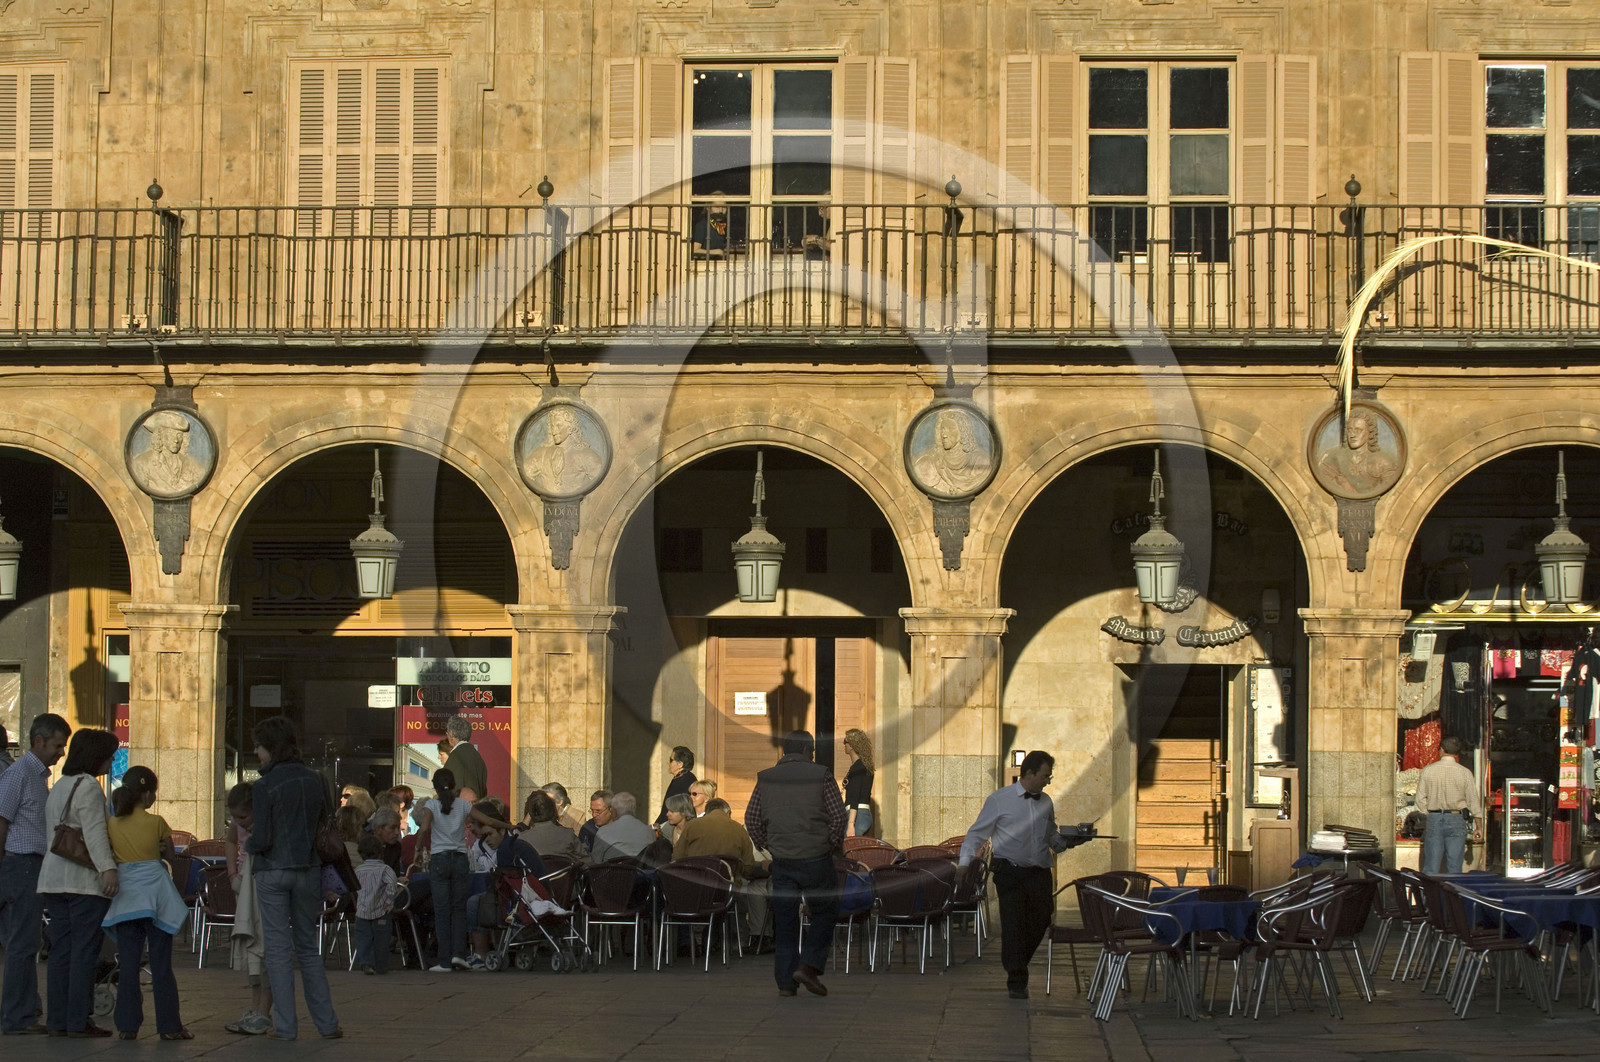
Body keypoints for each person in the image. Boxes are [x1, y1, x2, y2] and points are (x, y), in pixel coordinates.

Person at [959, 750, 1091, 1000]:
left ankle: (1016, 961)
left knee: (1042, 918)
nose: (1048, 781)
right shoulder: (999, 799)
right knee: (1013, 924)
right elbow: (976, 834)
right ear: (1030, 773)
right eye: (1045, 776)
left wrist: (1070, 841)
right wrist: (964, 863)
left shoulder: (1046, 802)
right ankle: (1017, 979)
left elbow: (1050, 836)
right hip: (1010, 871)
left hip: (1039, 871)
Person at [246, 716, 342, 1040]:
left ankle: (286, 1027)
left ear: (270, 747)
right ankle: (327, 1023)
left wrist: (248, 844)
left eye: (258, 746)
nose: (256, 752)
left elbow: (262, 838)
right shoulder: (316, 780)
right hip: (309, 869)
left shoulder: (264, 786)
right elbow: (324, 824)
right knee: (308, 948)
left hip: (272, 870)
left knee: (277, 950)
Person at [745, 730, 845, 998]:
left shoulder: (766, 778)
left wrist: (769, 845)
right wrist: (829, 843)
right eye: (812, 751)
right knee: (826, 910)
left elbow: (752, 819)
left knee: (785, 919)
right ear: (806, 750)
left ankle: (786, 984)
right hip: (816, 857)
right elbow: (838, 816)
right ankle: (809, 966)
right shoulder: (821, 775)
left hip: (782, 860)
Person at [38, 727, 119, 1037]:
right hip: (82, 881)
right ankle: (78, 1019)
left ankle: (58, 1020)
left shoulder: (60, 785)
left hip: (53, 879)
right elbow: (95, 832)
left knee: (60, 952)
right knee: (84, 951)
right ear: (96, 756)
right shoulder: (88, 787)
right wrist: (107, 869)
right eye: (109, 755)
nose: (112, 760)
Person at [102, 766, 190, 1040]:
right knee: (161, 965)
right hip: (156, 897)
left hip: (126, 899)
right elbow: (171, 856)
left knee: (128, 966)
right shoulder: (157, 822)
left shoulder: (112, 823)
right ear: (148, 794)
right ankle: (170, 1027)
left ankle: (127, 1027)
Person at [0, 712, 70, 1036]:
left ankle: (25, 1009)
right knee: (22, 944)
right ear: (39, 741)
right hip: (21, 865)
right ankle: (18, 1016)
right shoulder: (19, 774)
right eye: (57, 745)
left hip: (30, 866)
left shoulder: (35, 776)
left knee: (26, 942)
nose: (61, 753)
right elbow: (1, 821)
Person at [464, 802, 546, 966]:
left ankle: (481, 954)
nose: (486, 840)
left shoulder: (508, 848)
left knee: (475, 902)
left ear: (501, 830)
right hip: (530, 894)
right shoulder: (511, 844)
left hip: (522, 897)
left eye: (489, 835)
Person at [223, 782, 271, 1036]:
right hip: (244, 881)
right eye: (235, 818)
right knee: (251, 947)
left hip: (262, 883)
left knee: (263, 947)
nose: (240, 822)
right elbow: (231, 841)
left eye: (243, 817)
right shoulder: (239, 824)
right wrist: (232, 873)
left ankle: (264, 1009)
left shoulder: (267, 825)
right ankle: (255, 1007)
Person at [414, 766, 471, 972]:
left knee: (442, 910)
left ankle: (444, 960)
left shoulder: (431, 804)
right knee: (459, 909)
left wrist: (418, 849)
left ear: (435, 787)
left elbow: (424, 828)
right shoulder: (463, 804)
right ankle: (459, 955)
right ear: (454, 785)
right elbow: (485, 819)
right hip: (460, 858)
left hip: (439, 858)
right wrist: (509, 826)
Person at [1416, 736, 1484, 874]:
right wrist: (1479, 827)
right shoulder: (1465, 772)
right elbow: (1473, 801)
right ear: (1457, 753)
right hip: (1456, 818)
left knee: (1431, 866)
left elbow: (1420, 799)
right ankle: (1452, 888)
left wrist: (1428, 814)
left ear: (1441, 750)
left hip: (1434, 817)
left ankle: (1429, 888)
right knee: (1455, 866)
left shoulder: (1428, 770)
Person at [352, 833, 398, 975]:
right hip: (381, 910)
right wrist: (389, 901)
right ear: (380, 852)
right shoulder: (385, 869)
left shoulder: (358, 870)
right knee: (382, 940)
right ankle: (381, 965)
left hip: (362, 911)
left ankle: (366, 962)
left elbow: (352, 887)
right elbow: (392, 884)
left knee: (363, 939)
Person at [520, 791, 587, 864]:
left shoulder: (523, 838)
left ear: (530, 814)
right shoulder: (568, 835)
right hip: (564, 871)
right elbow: (587, 862)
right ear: (553, 810)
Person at [592, 792, 656, 862]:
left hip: (613, 868)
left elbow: (596, 863)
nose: (594, 815)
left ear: (614, 811)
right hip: (640, 869)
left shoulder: (603, 832)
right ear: (634, 810)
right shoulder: (649, 832)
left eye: (598, 811)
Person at [441, 715, 489, 802]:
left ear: (451, 734)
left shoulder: (455, 757)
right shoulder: (478, 758)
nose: (446, 735)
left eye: (447, 732)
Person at [655, 746, 698, 838]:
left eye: (671, 760)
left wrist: (659, 826)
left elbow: (677, 808)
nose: (668, 763)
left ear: (680, 764)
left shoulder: (686, 781)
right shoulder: (680, 778)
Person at [842, 728, 875, 837]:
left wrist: (851, 824)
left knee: (850, 846)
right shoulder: (862, 766)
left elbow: (855, 796)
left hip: (857, 816)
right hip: (860, 815)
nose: (844, 744)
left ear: (852, 745)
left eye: (845, 741)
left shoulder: (858, 767)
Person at [579, 788, 613, 855]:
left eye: (598, 811)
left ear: (611, 810)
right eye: (592, 811)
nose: (594, 815)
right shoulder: (587, 828)